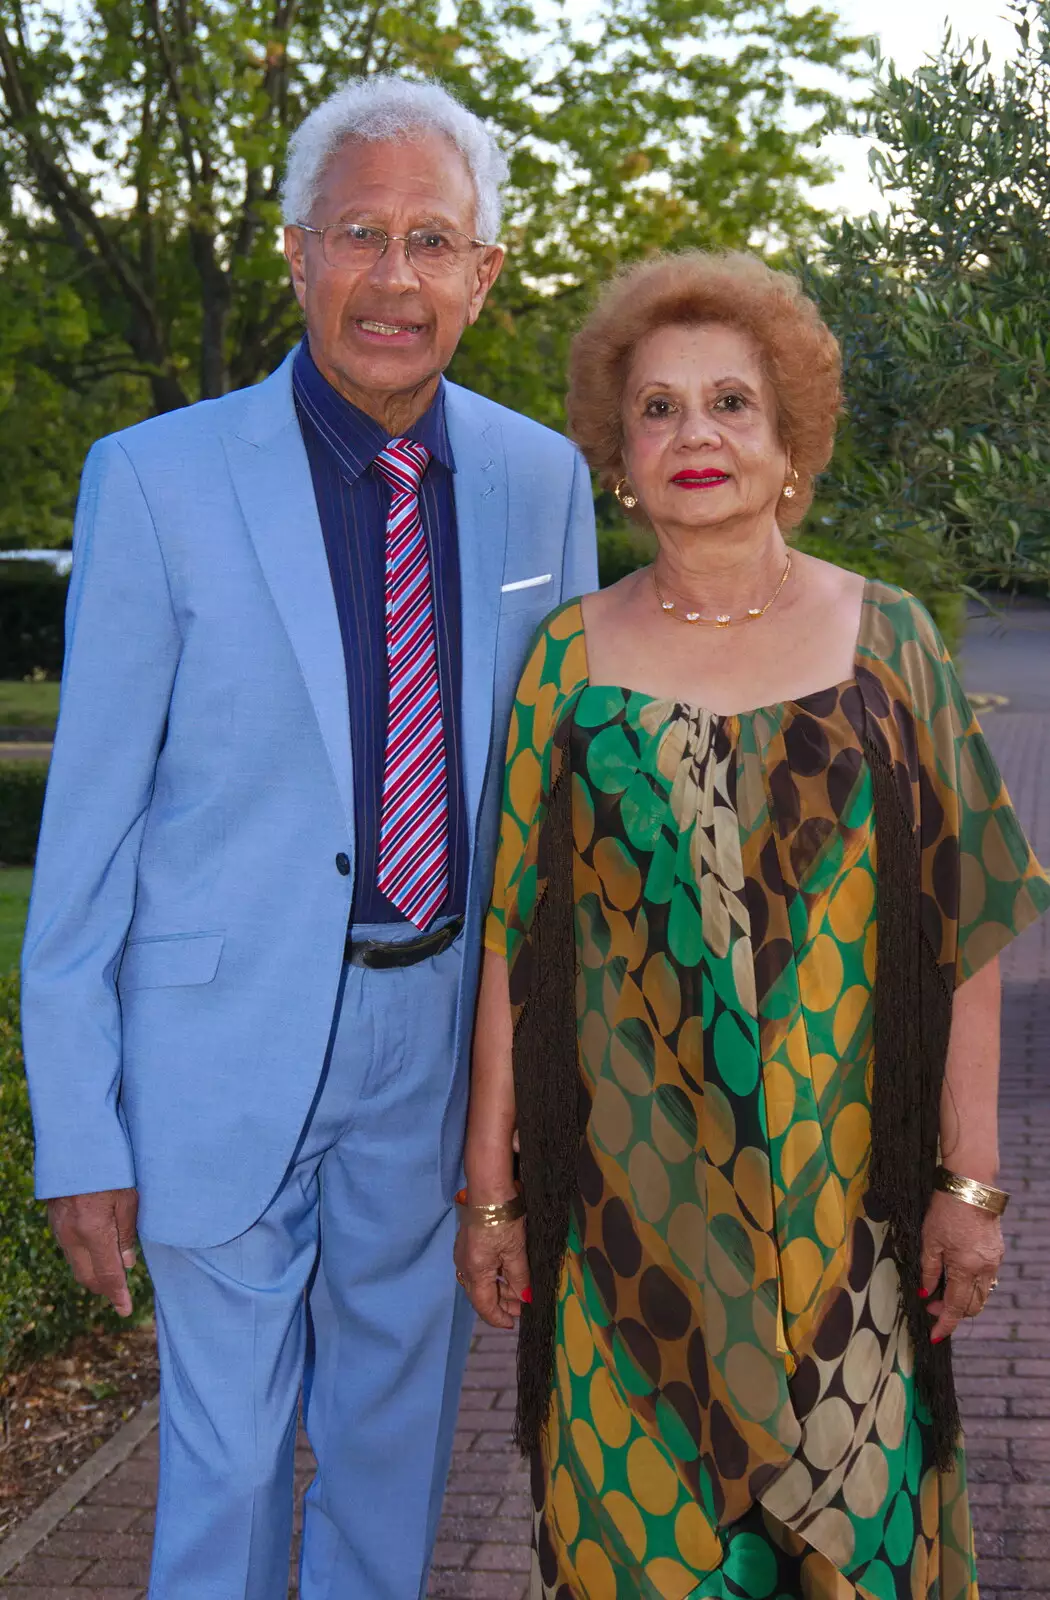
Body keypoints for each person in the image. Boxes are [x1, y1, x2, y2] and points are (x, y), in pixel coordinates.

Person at [21, 74, 596, 1599]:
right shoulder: (152, 480)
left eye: (431, 241)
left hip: (438, 1034)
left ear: (484, 271)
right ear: (294, 253)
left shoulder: (544, 484)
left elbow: (552, 825)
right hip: (219, 1034)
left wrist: (540, 1088)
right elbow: (84, 837)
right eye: (359, 234)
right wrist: (79, 1124)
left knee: (394, 1442)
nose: (392, 279)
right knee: (224, 1451)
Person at [455, 250, 1050, 1599]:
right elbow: (513, 946)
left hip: (852, 1237)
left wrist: (968, 1184)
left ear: (791, 445)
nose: (693, 434)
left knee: (855, 1558)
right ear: (617, 456)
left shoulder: (889, 643)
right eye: (656, 410)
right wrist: (490, 1190)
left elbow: (967, 928)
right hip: (624, 1243)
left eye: (730, 402)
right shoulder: (564, 661)